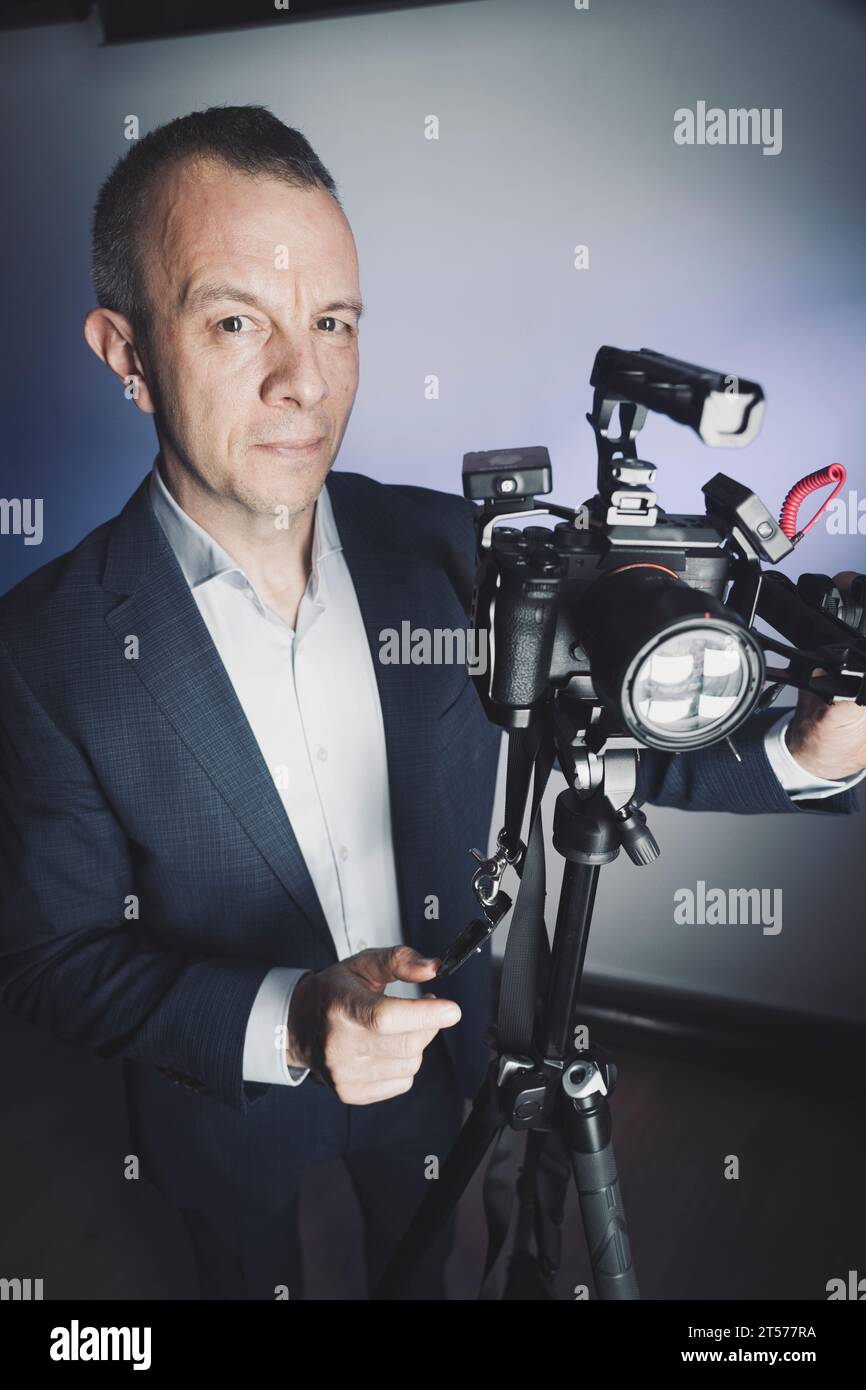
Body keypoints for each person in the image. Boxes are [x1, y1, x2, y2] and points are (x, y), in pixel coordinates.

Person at [1, 106, 864, 1302]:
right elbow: (55, 955)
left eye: (334, 322)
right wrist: (297, 1021)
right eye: (236, 319)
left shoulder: (456, 550)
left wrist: (812, 747)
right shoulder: (44, 646)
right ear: (127, 350)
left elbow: (603, 728)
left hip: (446, 1060)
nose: (303, 380)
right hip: (218, 1102)